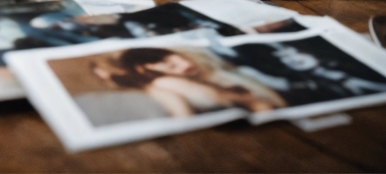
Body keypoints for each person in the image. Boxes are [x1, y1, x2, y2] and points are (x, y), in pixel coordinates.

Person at [96, 47, 284, 117]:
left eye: (177, 58)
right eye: (167, 64)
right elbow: (183, 118)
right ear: (142, 70)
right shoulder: (160, 86)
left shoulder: (208, 74)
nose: (185, 64)